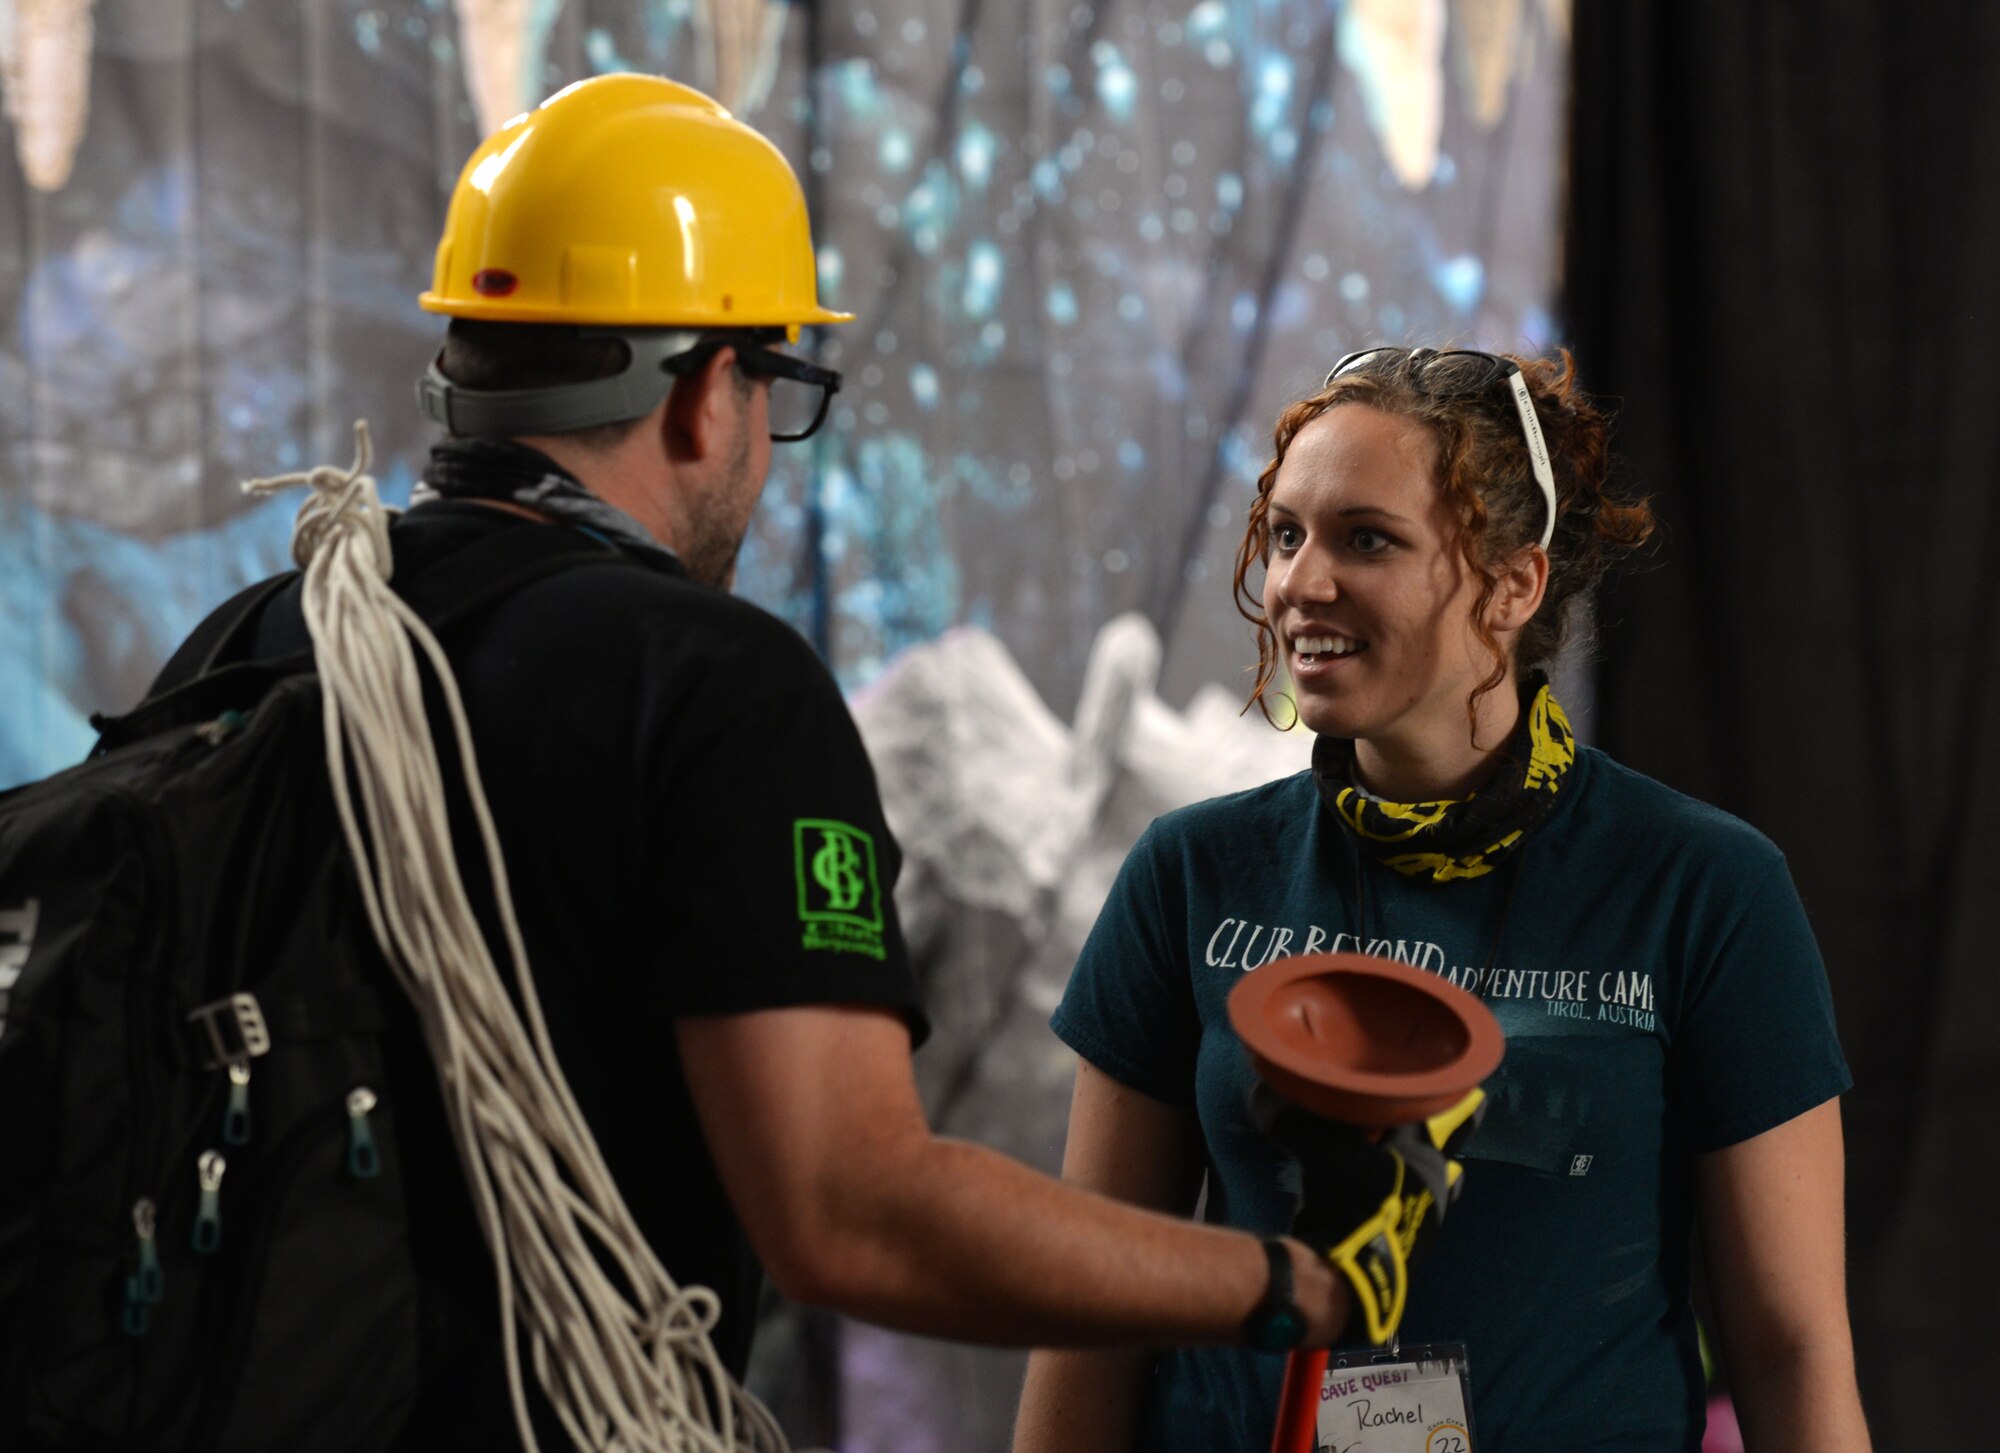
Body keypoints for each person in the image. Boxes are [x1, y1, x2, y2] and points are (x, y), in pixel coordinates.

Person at [139, 75, 1429, 1447]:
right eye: (774, 386)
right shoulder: (710, 684)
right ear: (707, 390)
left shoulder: (263, 635)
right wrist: (1287, 1280)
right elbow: (852, 1211)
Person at [1015, 347, 1872, 1452]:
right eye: (1284, 534)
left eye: (1365, 539)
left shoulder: (1702, 887)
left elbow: (1789, 1349)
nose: (1298, 585)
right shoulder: (1191, 873)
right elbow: (1093, 1312)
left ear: (1513, 582)